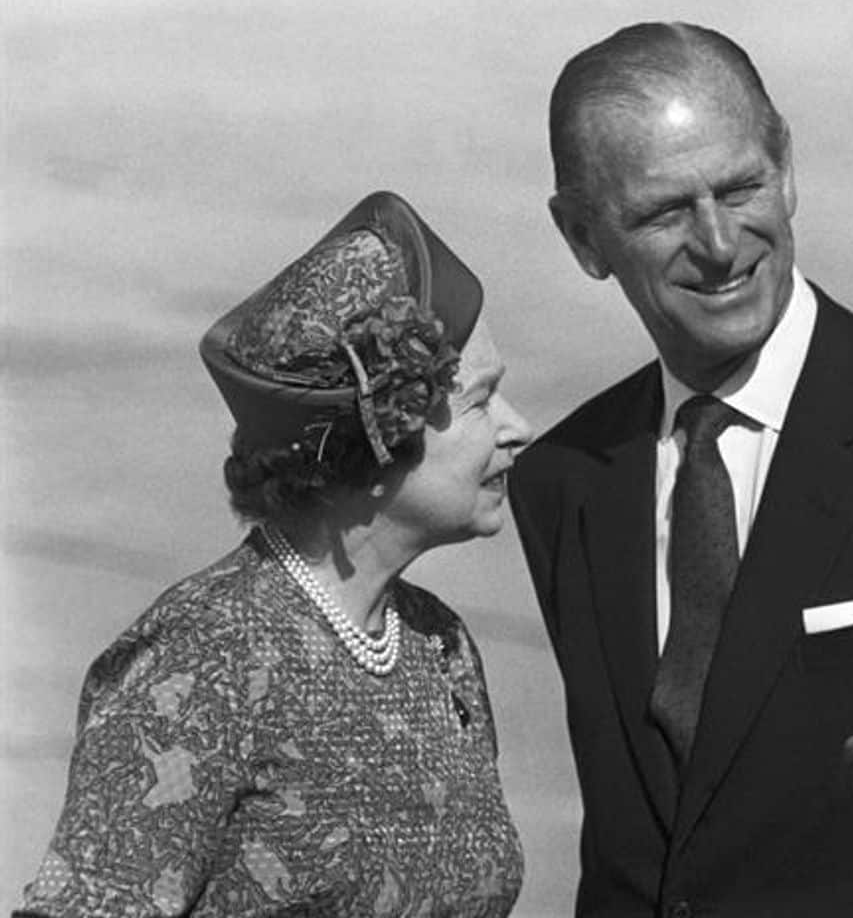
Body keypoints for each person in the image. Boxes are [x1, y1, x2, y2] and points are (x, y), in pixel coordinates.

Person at [508, 22, 853, 916]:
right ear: (582, 236)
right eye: (664, 212)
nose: (720, 243)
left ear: (788, 168)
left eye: (741, 188)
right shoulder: (564, 482)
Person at [16, 191, 532, 916]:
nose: (519, 428)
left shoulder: (438, 646)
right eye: (483, 403)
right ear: (384, 439)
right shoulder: (205, 659)